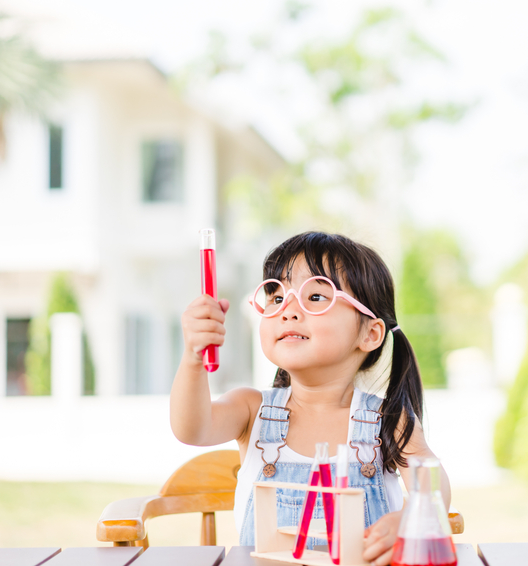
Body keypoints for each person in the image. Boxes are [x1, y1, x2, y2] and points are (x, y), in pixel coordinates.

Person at [171, 231, 451, 566]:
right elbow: (191, 429)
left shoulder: (387, 418)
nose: (288, 309)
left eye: (316, 296)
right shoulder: (251, 409)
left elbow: (433, 482)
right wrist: (192, 357)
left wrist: (409, 521)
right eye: (276, 297)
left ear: (370, 333)